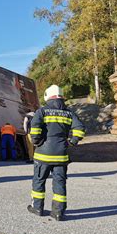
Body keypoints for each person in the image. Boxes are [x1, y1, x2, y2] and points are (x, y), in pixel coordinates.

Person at [27, 85, 85, 221]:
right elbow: (80, 129)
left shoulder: (42, 111)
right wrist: (71, 142)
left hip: (42, 155)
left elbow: (34, 129)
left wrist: (37, 142)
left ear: (48, 96)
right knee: (59, 182)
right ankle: (58, 212)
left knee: (39, 181)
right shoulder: (69, 113)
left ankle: (37, 207)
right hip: (61, 155)